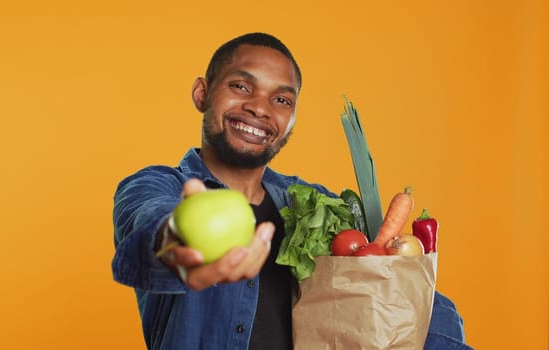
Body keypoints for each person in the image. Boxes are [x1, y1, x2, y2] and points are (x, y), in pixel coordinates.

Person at [112, 32, 471, 350]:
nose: (259, 108)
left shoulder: (314, 206)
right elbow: (149, 228)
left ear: (292, 121)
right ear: (202, 93)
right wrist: (180, 246)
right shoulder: (156, 186)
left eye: (281, 100)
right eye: (241, 86)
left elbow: (411, 297)